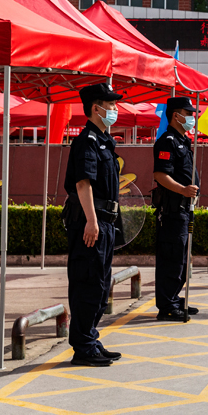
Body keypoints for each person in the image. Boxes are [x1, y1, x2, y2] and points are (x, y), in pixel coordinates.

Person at [63, 83, 123, 367]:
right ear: (96, 108)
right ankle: (83, 347)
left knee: (100, 285)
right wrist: (91, 221)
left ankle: (90, 338)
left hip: (104, 222)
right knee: (88, 283)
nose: (114, 109)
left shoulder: (103, 141)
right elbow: (82, 183)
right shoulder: (87, 140)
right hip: (92, 222)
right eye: (109, 105)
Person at [152, 97, 201, 322]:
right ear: (175, 115)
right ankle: (167, 305)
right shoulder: (167, 141)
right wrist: (183, 190)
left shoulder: (183, 140)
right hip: (172, 210)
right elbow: (160, 175)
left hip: (184, 209)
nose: (192, 117)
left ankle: (174, 297)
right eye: (187, 113)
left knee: (181, 258)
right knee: (171, 258)